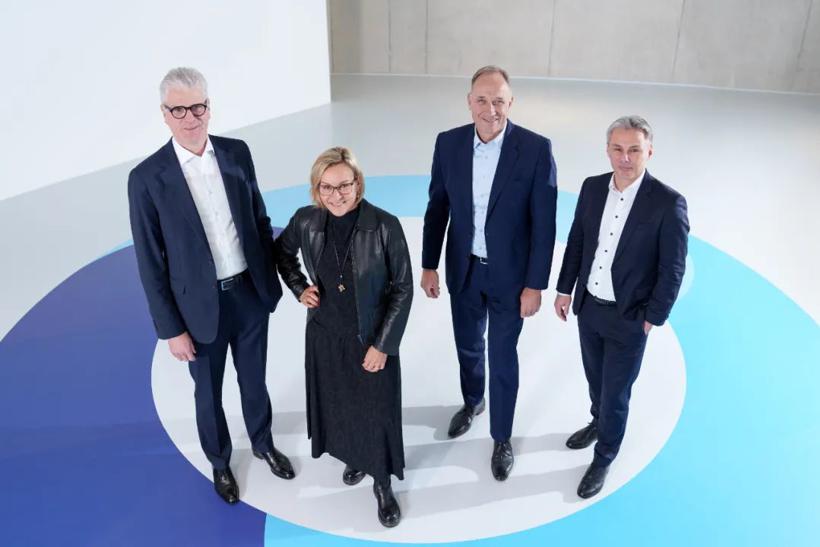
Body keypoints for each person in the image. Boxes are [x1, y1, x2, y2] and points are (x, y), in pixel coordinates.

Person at [128, 67, 294, 505]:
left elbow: (259, 219)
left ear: (209, 107)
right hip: (198, 309)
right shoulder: (146, 178)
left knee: (254, 380)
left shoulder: (237, 153)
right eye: (179, 110)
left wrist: (274, 281)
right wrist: (171, 329)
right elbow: (150, 262)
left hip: (249, 293)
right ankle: (220, 462)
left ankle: (263, 443)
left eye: (198, 107)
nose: (190, 117)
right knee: (208, 392)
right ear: (164, 114)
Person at [421, 65, 557, 481]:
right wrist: (429, 264)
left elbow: (544, 225)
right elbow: (437, 208)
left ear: (511, 103)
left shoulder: (535, 149)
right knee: (467, 346)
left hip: (510, 280)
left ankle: (501, 437)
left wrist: (534, 285)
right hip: (463, 270)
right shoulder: (448, 143)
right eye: (482, 100)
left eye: (499, 101)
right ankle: (472, 401)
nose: (490, 109)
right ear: (469, 102)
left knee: (502, 357)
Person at [275, 147, 413, 527]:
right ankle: (356, 456)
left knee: (376, 411)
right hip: (325, 334)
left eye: (344, 186)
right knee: (340, 404)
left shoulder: (385, 226)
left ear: (358, 184)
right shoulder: (306, 220)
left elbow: (403, 288)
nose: (336, 195)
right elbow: (281, 254)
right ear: (316, 189)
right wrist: (299, 288)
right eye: (327, 187)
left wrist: (383, 345)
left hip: (369, 336)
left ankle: (382, 481)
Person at [554, 115, 689, 499]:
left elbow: (672, 268)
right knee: (596, 379)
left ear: (649, 152)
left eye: (634, 150)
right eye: (617, 149)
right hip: (589, 307)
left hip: (630, 316)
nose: (625, 158)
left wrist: (652, 318)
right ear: (608, 150)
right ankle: (598, 422)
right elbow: (577, 240)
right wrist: (565, 290)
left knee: (616, 393)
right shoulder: (592, 187)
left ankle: (604, 456)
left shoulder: (668, 203)